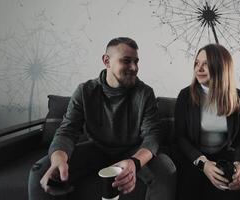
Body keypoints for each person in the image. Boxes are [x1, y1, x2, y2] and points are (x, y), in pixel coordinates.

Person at [28, 37, 176, 200]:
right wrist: (58, 160)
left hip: (132, 151)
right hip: (95, 148)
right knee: (40, 171)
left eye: (136, 61)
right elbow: (67, 131)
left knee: (166, 170)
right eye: (126, 61)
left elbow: (152, 136)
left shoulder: (145, 93)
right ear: (107, 61)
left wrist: (134, 163)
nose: (134, 67)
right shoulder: (85, 91)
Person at [174, 43, 240, 200]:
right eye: (196, 63)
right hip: (195, 159)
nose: (198, 69)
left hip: (225, 156)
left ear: (221, 66)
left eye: (206, 64)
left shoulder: (238, 96)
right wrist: (203, 164)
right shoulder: (185, 95)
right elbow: (180, 137)